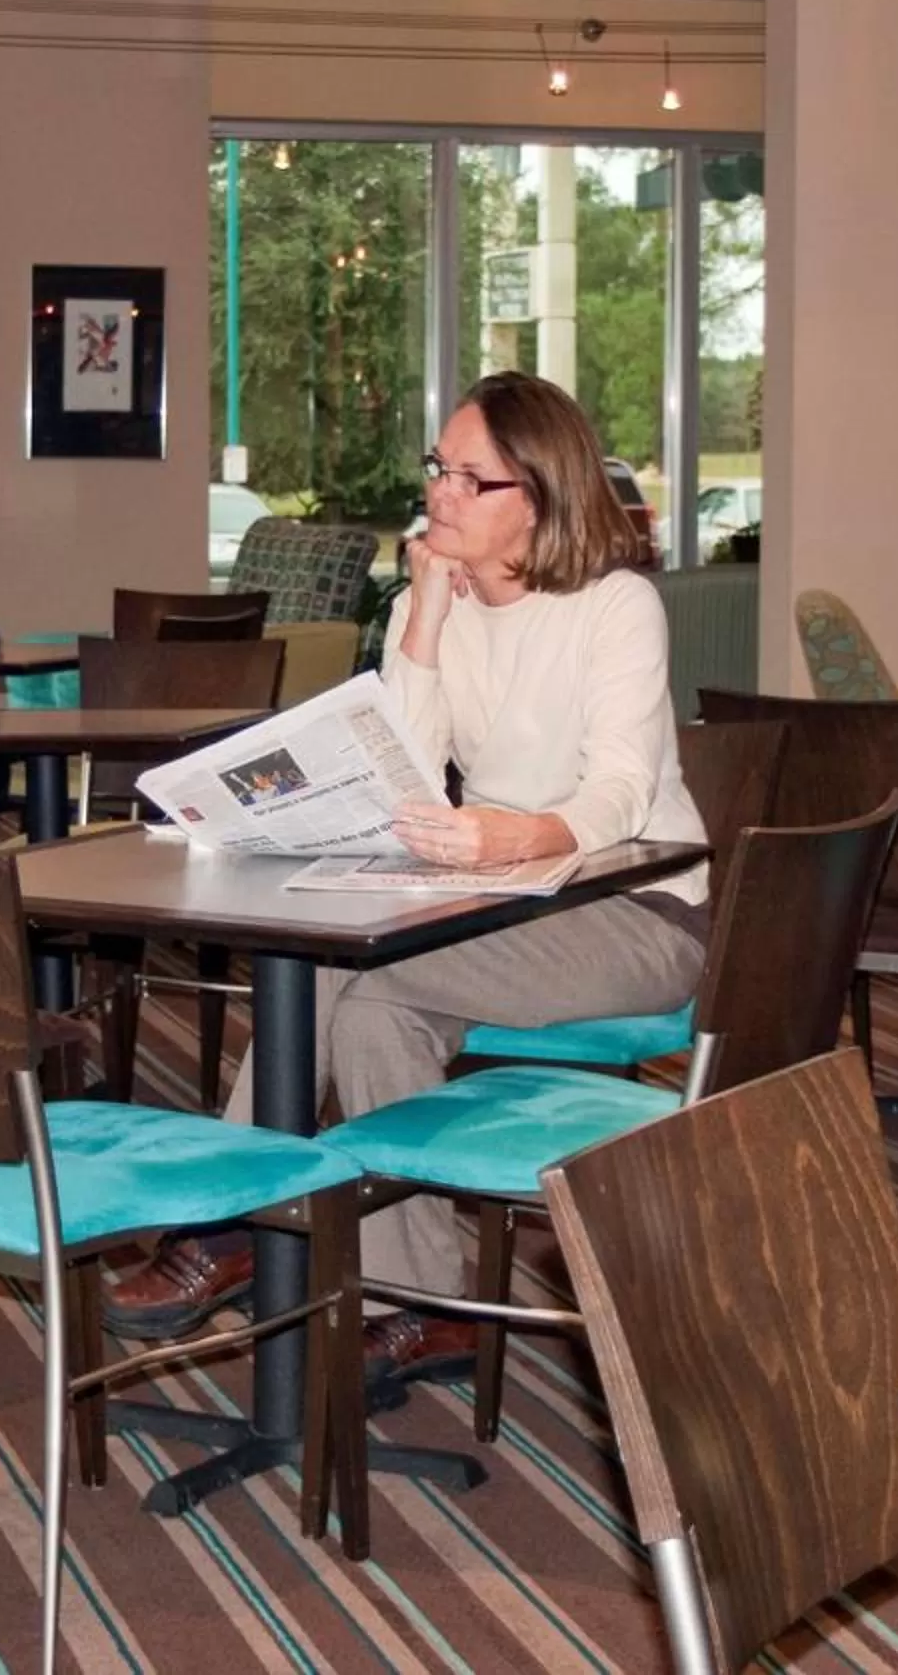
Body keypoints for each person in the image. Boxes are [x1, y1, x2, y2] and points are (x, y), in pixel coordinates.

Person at [104, 371, 709, 1390]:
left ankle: (238, 1214)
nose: (442, 493)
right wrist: (423, 613)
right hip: (496, 901)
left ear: (542, 497)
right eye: (440, 468)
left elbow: (619, 790)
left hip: (634, 909)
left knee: (348, 975)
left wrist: (516, 835)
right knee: (370, 1005)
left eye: (474, 479)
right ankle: (424, 1305)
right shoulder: (443, 606)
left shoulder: (617, 605)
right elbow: (402, 773)